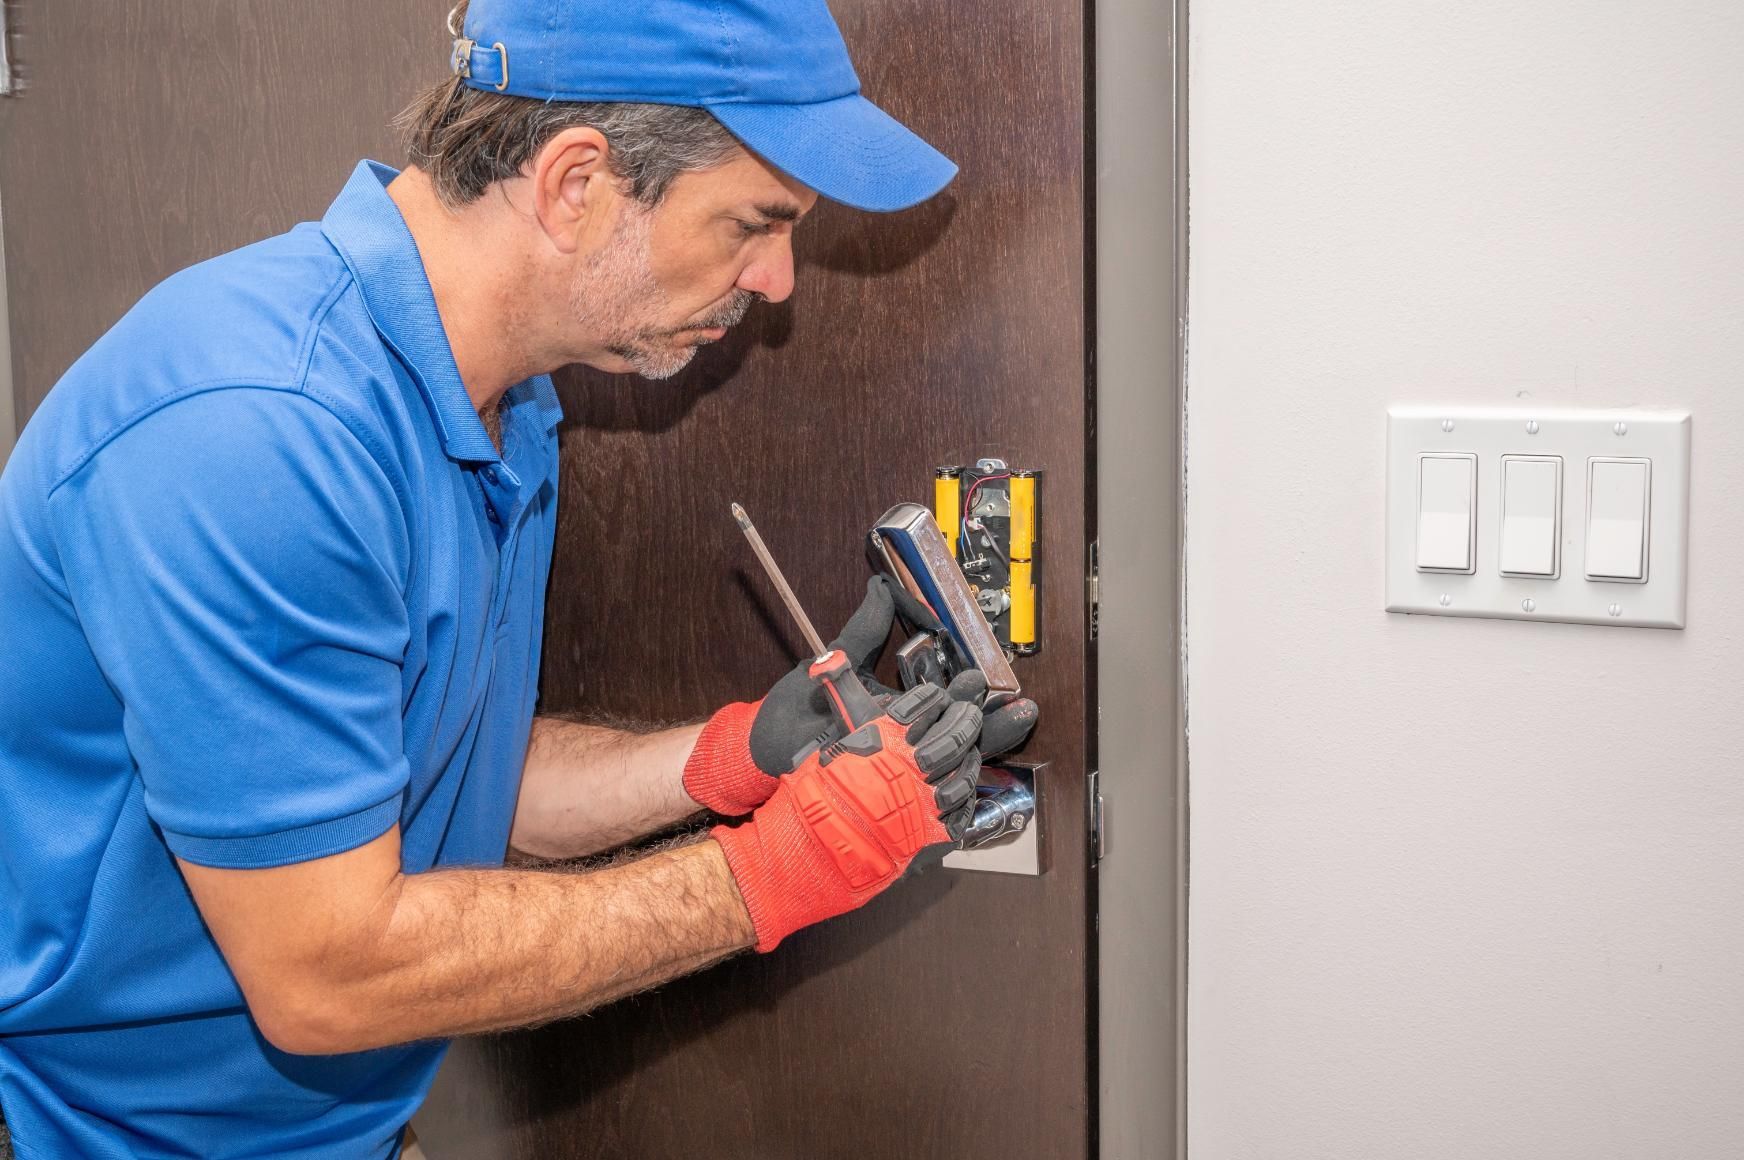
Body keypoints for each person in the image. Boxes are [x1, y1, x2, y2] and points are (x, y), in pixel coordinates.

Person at [0, 0, 1039, 1156]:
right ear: (575, 183)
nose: (778, 278)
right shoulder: (262, 434)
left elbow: (428, 784)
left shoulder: (504, 407)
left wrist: (727, 759)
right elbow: (328, 972)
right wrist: (773, 869)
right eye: (753, 222)